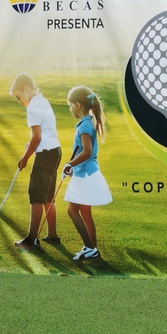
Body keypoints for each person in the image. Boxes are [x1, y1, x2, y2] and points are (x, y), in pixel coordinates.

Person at [10, 74, 61, 249]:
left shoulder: (32, 107)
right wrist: (30, 145)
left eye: (18, 96)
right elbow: (43, 133)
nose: (18, 101)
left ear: (26, 89)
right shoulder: (42, 100)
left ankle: (32, 239)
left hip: (45, 154)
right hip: (55, 151)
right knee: (48, 196)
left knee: (36, 196)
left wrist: (25, 158)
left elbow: (37, 137)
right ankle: (52, 235)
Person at [63, 86, 113, 261]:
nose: (70, 109)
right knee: (85, 212)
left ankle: (90, 248)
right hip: (86, 172)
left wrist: (69, 164)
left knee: (72, 211)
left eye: (70, 105)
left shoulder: (84, 126)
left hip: (84, 175)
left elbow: (86, 152)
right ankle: (93, 249)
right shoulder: (87, 123)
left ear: (77, 105)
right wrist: (73, 166)